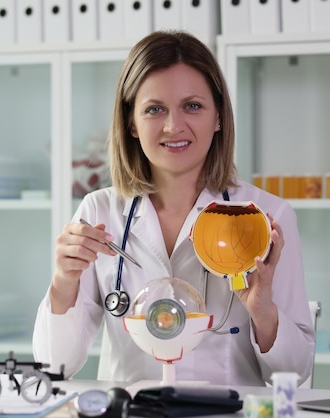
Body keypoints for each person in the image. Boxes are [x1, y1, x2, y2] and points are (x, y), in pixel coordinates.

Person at [33, 30, 314, 386]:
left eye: (192, 106)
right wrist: (64, 282)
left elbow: (294, 375)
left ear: (219, 118)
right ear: (131, 123)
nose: (173, 126)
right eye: (154, 109)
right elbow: (54, 366)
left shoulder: (266, 216)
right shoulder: (98, 213)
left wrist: (263, 313)